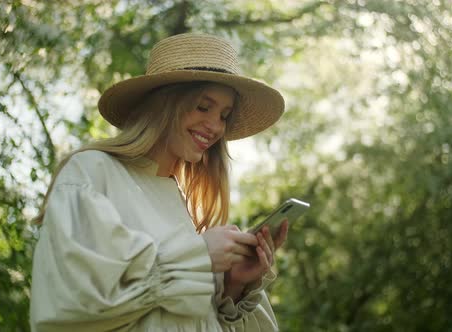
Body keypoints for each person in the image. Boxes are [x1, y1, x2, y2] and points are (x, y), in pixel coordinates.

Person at [29, 33, 288, 332]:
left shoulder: (184, 205)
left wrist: (233, 285)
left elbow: (180, 318)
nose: (216, 126)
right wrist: (200, 256)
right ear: (165, 105)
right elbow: (74, 303)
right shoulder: (92, 172)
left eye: (224, 116)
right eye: (203, 107)